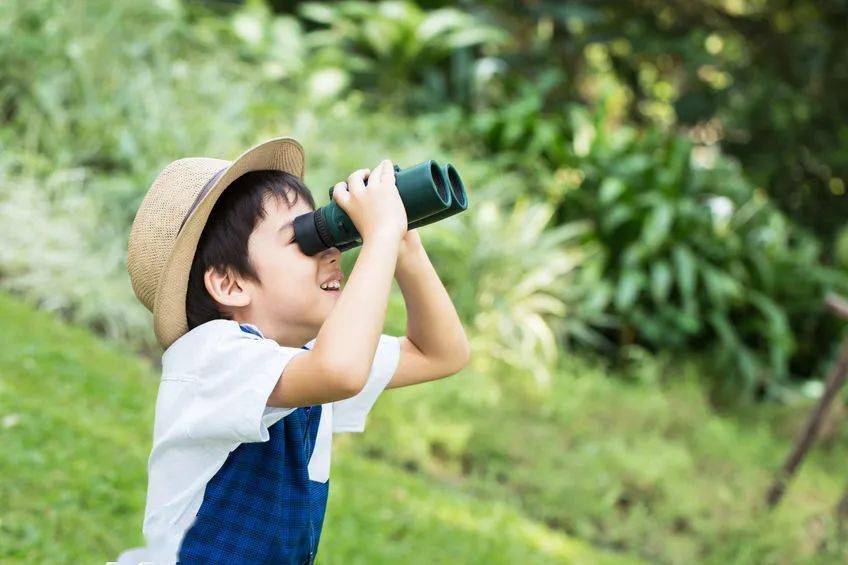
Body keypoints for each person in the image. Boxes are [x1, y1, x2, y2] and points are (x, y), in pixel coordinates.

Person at [117, 136, 470, 563]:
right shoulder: (211, 359)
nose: (333, 250)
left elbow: (440, 353)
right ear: (230, 284)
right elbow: (340, 370)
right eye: (303, 239)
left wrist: (404, 247)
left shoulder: (304, 357)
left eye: (326, 231)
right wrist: (378, 237)